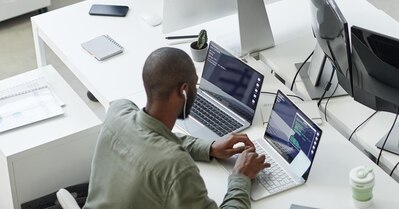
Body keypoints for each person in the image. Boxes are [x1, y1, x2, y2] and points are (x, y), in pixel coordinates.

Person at [83, 47, 269, 209]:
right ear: (184, 91)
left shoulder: (118, 110)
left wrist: (210, 148)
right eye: (195, 85)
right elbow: (161, 150)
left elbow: (150, 137)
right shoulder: (177, 167)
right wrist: (240, 177)